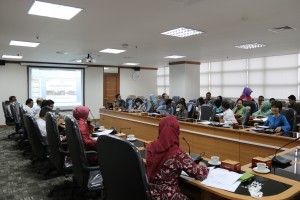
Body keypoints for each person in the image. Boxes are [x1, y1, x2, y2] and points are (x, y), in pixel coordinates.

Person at [146, 116, 209, 199]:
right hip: (169, 196)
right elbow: (200, 174)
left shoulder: (150, 146)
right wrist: (203, 166)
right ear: (176, 131)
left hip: (149, 193)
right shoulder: (178, 154)